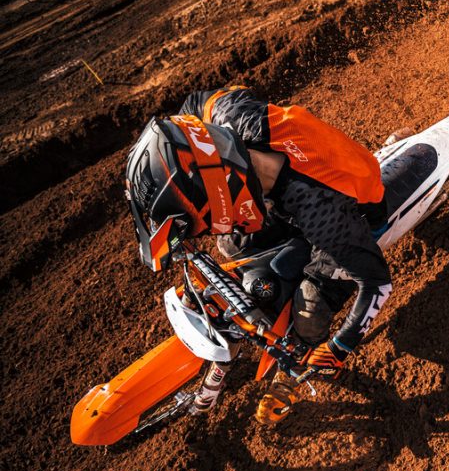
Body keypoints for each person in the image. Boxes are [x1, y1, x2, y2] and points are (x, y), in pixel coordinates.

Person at [123, 85, 410, 423]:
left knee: (309, 307)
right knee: (232, 245)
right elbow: (194, 111)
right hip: (294, 181)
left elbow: (377, 283)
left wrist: (338, 347)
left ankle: (290, 371)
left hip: (355, 209)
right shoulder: (229, 114)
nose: (205, 230)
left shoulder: (323, 215)